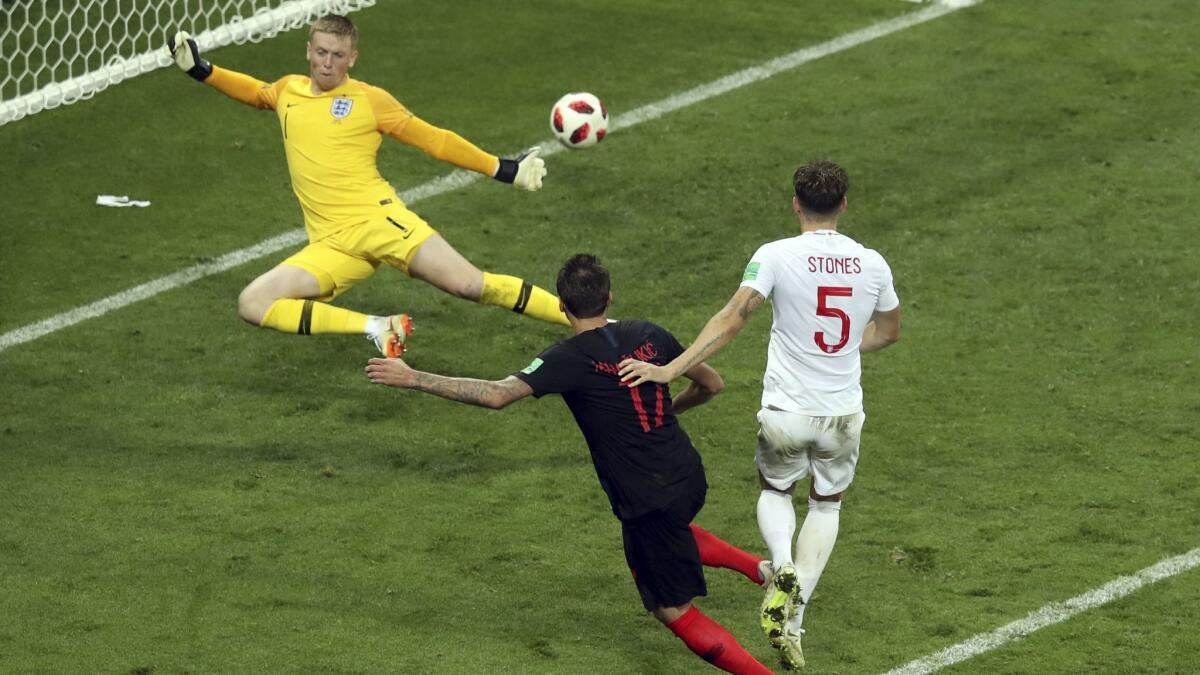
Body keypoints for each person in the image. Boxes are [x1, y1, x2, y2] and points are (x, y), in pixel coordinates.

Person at [366, 254, 775, 674]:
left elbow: (496, 394)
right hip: (687, 474)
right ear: (610, 297)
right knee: (668, 534)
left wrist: (413, 377)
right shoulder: (648, 333)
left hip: (646, 495)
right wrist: (670, 409)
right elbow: (712, 384)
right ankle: (763, 570)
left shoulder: (567, 357)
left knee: (672, 610)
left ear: (562, 305)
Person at [618, 160, 902, 670]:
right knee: (827, 504)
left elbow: (733, 318)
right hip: (842, 414)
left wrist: (671, 370)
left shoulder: (775, 255)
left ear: (796, 203)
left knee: (775, 490)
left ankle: (783, 565)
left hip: (786, 412)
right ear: (843, 204)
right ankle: (793, 619)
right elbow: (888, 332)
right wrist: (843, 353)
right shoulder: (873, 263)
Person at [165, 15, 565, 358]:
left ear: (352, 59)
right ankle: (378, 327)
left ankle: (589, 321)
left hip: (380, 222)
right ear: (308, 50)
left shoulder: (369, 100)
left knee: (469, 285)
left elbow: (435, 139)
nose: (327, 64)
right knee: (253, 303)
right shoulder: (288, 90)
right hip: (330, 244)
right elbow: (256, 93)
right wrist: (202, 70)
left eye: (338, 56)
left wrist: (503, 169)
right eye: (321, 52)